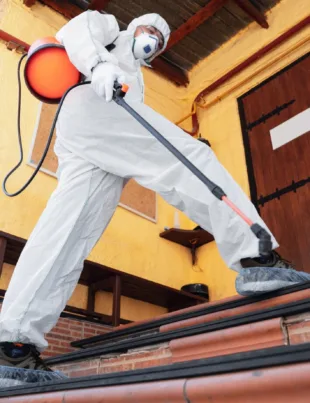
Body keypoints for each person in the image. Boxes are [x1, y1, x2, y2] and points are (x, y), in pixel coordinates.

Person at [0, 11, 304, 371]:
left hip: (89, 136)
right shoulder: (111, 30)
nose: (153, 41)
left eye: (159, 43)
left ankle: (13, 346)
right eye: (150, 32)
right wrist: (98, 66)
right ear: (135, 27)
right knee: (190, 156)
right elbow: (76, 28)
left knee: (68, 231)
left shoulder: (138, 80)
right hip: (91, 106)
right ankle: (257, 256)